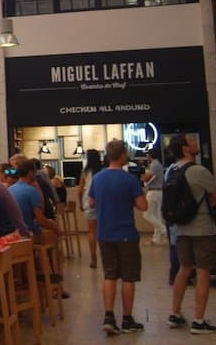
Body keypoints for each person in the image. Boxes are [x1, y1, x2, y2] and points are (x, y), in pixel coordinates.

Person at [88, 139, 148, 335]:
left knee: (110, 275)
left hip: (105, 233)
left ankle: (108, 316)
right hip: (126, 234)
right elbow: (143, 206)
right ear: (122, 155)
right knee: (129, 277)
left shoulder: (97, 178)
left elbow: (91, 203)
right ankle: (127, 318)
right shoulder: (129, 179)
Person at [166, 134, 216, 335]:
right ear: (185, 148)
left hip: (181, 229)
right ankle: (199, 320)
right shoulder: (199, 171)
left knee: (184, 268)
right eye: (192, 142)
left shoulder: (170, 171)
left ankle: (175, 313)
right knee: (203, 271)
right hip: (202, 228)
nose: (196, 144)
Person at [8, 158, 61, 238]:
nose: (36, 174)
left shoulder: (9, 190)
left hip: (12, 233)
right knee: (52, 230)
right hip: (28, 233)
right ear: (30, 173)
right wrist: (54, 226)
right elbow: (41, 220)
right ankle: (54, 249)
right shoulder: (33, 191)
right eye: (35, 172)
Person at [78, 149, 103, 268]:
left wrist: (80, 203)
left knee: (92, 231)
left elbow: (80, 189)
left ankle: (93, 258)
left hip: (88, 202)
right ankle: (106, 255)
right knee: (104, 230)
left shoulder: (85, 172)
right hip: (103, 203)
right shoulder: (103, 171)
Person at [141, 147, 167, 245]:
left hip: (153, 192)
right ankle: (156, 239)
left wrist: (142, 176)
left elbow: (146, 178)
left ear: (149, 155)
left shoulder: (154, 165)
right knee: (157, 215)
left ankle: (163, 230)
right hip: (159, 192)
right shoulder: (159, 164)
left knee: (147, 214)